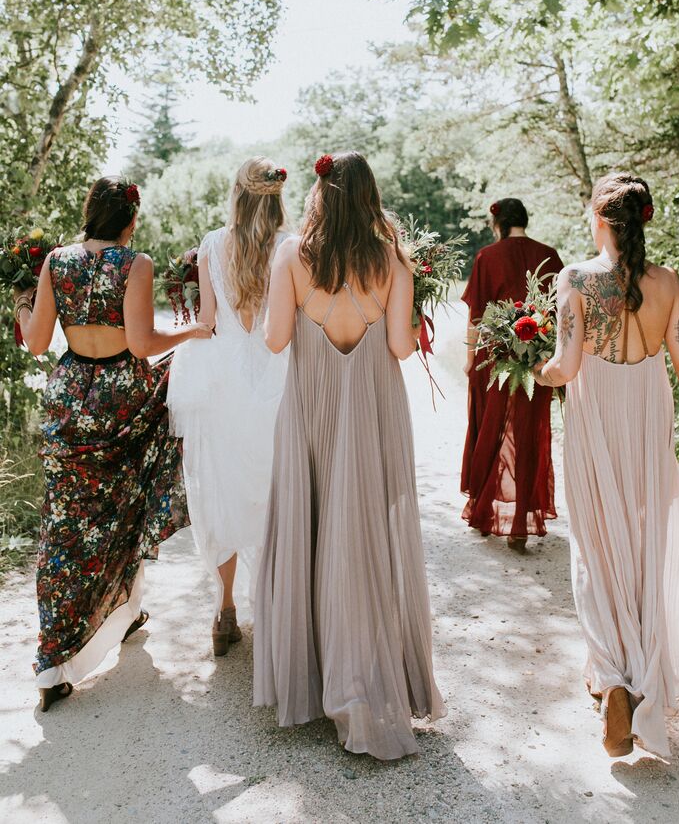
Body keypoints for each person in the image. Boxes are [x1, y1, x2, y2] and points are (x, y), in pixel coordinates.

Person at [253, 152, 444, 760]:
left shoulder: (290, 255)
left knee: (313, 532)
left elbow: (277, 339)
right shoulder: (391, 260)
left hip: (311, 409)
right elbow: (400, 346)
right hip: (370, 411)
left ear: (319, 194)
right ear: (369, 196)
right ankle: (363, 680)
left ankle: (317, 681)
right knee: (362, 539)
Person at [534, 172, 679, 759]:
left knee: (597, 547)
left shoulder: (576, 279)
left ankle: (614, 681)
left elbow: (566, 368)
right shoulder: (666, 283)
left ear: (598, 219)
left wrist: (535, 369)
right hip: (646, 417)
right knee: (644, 546)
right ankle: (637, 681)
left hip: (597, 420)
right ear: (644, 219)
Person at [13, 177, 211, 712]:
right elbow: (143, 343)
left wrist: (18, 302)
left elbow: (34, 342)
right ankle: (123, 609)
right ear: (129, 220)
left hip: (70, 396)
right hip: (122, 399)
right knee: (125, 507)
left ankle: (54, 661)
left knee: (65, 526)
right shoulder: (135, 263)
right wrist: (193, 334)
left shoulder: (56, 261)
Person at [167, 157, 290, 655]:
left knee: (221, 492)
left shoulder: (213, 245)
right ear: (276, 196)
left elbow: (208, 319)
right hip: (277, 375)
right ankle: (280, 606)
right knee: (273, 491)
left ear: (237, 195)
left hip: (223, 375)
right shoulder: (290, 246)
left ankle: (224, 611)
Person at [461, 198, 562, 550]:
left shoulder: (487, 257)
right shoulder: (549, 254)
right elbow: (562, 313)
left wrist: (470, 357)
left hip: (497, 358)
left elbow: (476, 314)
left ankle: (485, 512)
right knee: (531, 431)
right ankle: (521, 523)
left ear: (498, 223)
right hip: (540, 358)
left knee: (491, 426)